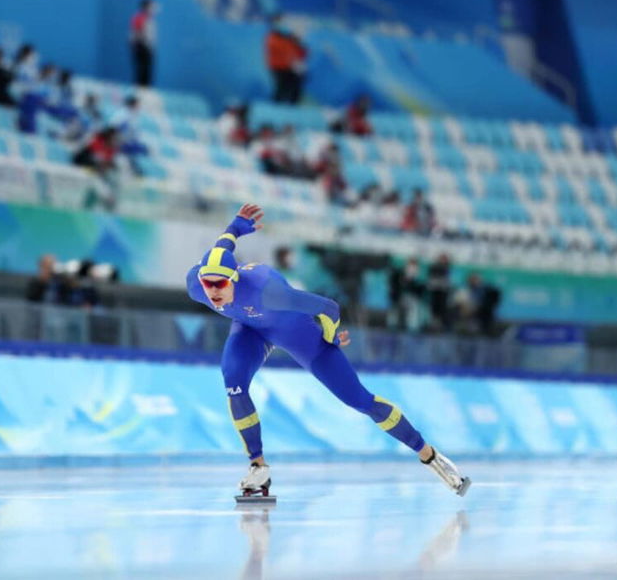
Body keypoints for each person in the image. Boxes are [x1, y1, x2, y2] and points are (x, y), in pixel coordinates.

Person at [187, 204, 470, 499]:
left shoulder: (268, 292)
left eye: (219, 283)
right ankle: (258, 467)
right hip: (249, 328)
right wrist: (233, 229)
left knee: (360, 400)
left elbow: (328, 307)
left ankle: (430, 456)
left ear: (233, 278)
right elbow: (220, 248)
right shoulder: (196, 284)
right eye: (207, 283)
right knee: (233, 383)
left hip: (301, 334)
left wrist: (330, 336)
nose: (212, 291)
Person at [265, 13, 306, 104]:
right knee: (281, 88)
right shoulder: (273, 38)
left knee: (295, 84)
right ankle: (276, 107)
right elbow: (280, 50)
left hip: (288, 67)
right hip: (277, 67)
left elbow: (300, 54)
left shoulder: (288, 38)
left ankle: (292, 106)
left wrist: (298, 44)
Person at [129, 0, 157, 87]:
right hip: (142, 47)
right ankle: (140, 90)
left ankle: (145, 89)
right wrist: (139, 45)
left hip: (148, 47)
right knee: (142, 71)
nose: (153, 9)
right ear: (146, 7)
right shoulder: (140, 18)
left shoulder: (150, 20)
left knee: (148, 72)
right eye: (151, 7)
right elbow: (136, 33)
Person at [426, 254, 453, 332]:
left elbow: (448, 280)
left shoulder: (448, 268)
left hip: (443, 291)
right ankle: (434, 323)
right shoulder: (434, 267)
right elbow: (431, 278)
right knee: (434, 307)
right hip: (436, 290)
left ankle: (440, 324)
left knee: (442, 307)